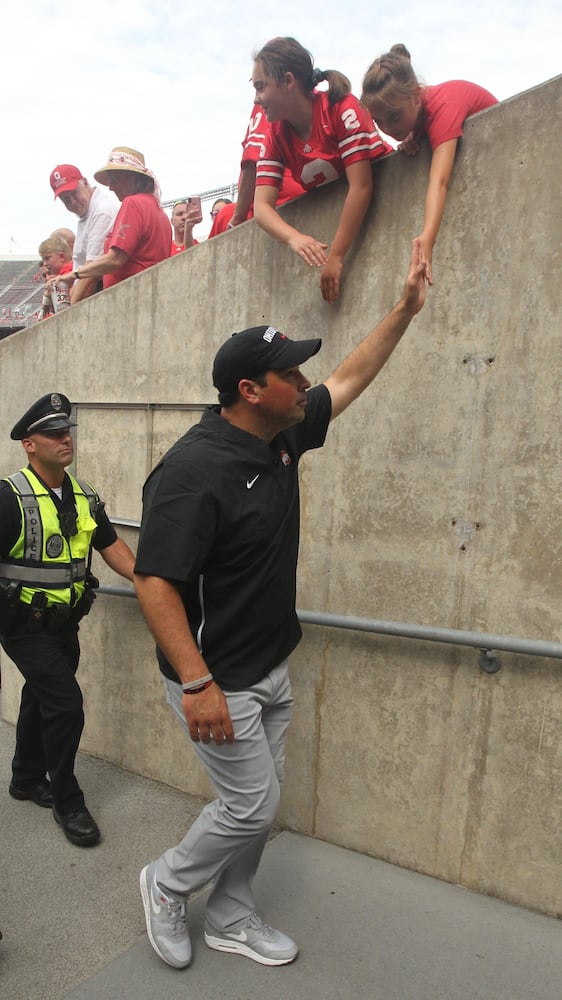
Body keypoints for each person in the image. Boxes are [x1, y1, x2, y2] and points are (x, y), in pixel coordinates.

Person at [133, 239, 426, 970]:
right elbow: (154, 580)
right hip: (216, 677)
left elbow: (352, 374)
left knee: (261, 805)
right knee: (247, 807)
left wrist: (404, 310)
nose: (305, 382)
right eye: (289, 372)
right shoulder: (191, 471)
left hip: (269, 664)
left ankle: (230, 917)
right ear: (249, 391)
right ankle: (167, 886)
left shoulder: (283, 435)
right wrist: (197, 684)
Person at [0, 393, 135, 846]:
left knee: (41, 699)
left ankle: (24, 778)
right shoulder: (9, 498)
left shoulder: (85, 495)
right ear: (29, 444)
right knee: (66, 706)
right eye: (53, 433)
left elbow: (112, 547)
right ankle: (67, 799)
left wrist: (151, 580)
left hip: (65, 624)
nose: (65, 438)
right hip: (22, 627)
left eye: (67, 431)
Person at [252, 36, 391, 305]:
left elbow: (361, 186)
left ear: (288, 81)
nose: (257, 99)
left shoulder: (340, 107)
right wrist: (295, 238)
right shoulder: (276, 135)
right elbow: (261, 208)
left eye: (261, 86)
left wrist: (336, 257)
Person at [361, 44, 498, 285]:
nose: (388, 129)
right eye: (378, 121)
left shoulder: (443, 106)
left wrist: (428, 237)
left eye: (394, 116)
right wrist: (415, 134)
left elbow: (440, 181)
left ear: (416, 95)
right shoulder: (418, 117)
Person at [66, 147, 171, 290]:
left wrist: (75, 274)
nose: (111, 187)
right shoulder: (159, 211)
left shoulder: (133, 204)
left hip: (131, 295)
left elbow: (115, 259)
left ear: (133, 177)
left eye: (115, 180)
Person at [208, 106, 305, 238]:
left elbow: (252, 163)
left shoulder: (269, 102)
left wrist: (237, 219)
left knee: (226, 215)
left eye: (260, 86)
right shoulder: (318, 101)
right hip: (307, 200)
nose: (257, 98)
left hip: (279, 205)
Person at [50, 164, 119, 303]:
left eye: (74, 193)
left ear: (85, 182)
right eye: (66, 200)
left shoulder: (101, 211)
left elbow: (91, 275)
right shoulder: (86, 213)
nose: (72, 202)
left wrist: (68, 314)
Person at [38, 235, 73, 318]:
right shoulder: (64, 273)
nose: (45, 263)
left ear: (61, 257)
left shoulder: (69, 271)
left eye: (47, 258)